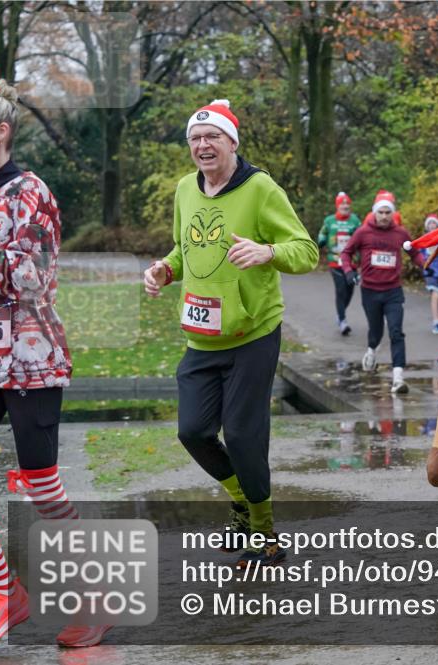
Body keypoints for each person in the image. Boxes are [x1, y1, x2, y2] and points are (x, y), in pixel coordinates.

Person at [143, 99, 318, 567]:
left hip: (252, 334)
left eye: (212, 137)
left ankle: (264, 532)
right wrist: (164, 270)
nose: (203, 145)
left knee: (242, 435)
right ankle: (242, 500)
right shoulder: (186, 189)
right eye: (195, 138)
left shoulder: (260, 189)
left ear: (232, 142)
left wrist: (267, 252)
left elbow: (305, 251)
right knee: (193, 431)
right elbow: (184, 251)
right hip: (201, 337)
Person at [0, 75, 109, 647]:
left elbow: (33, 278)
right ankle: (3, 592)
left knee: (42, 486)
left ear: (0, 131)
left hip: (30, 356)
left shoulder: (31, 192)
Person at [340, 190, 423, 394]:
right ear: (375, 213)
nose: (384, 216)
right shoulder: (363, 232)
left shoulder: (400, 233)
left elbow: (414, 252)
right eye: (381, 212)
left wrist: (425, 265)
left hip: (393, 290)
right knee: (375, 330)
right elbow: (346, 253)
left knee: (396, 332)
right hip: (370, 290)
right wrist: (349, 271)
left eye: (388, 212)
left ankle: (398, 378)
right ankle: (371, 350)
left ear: (393, 213)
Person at [317, 191, 361, 335]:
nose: (345, 206)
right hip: (335, 261)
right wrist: (321, 241)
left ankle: (340, 313)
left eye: (347, 204)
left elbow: (362, 235)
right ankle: (342, 321)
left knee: (349, 290)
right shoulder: (329, 220)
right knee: (341, 290)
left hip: (352, 262)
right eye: (342, 204)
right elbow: (323, 233)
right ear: (337, 206)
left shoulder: (355, 220)